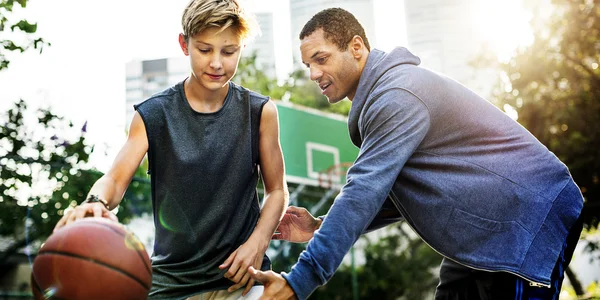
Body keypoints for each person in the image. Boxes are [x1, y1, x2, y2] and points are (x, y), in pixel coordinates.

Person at [248, 7, 584, 300]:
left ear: (356, 47)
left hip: (524, 219)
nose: (314, 74)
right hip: (480, 236)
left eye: (321, 59)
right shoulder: (384, 100)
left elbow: (363, 190)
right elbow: (394, 195)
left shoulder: (397, 94)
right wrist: (321, 226)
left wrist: (298, 282)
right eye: (308, 64)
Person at [53, 0, 289, 299]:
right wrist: (94, 200)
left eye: (229, 52)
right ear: (184, 44)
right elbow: (115, 179)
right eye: (205, 49)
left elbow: (277, 191)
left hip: (243, 279)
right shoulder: (153, 114)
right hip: (170, 283)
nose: (217, 63)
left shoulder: (260, 111)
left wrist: (258, 242)